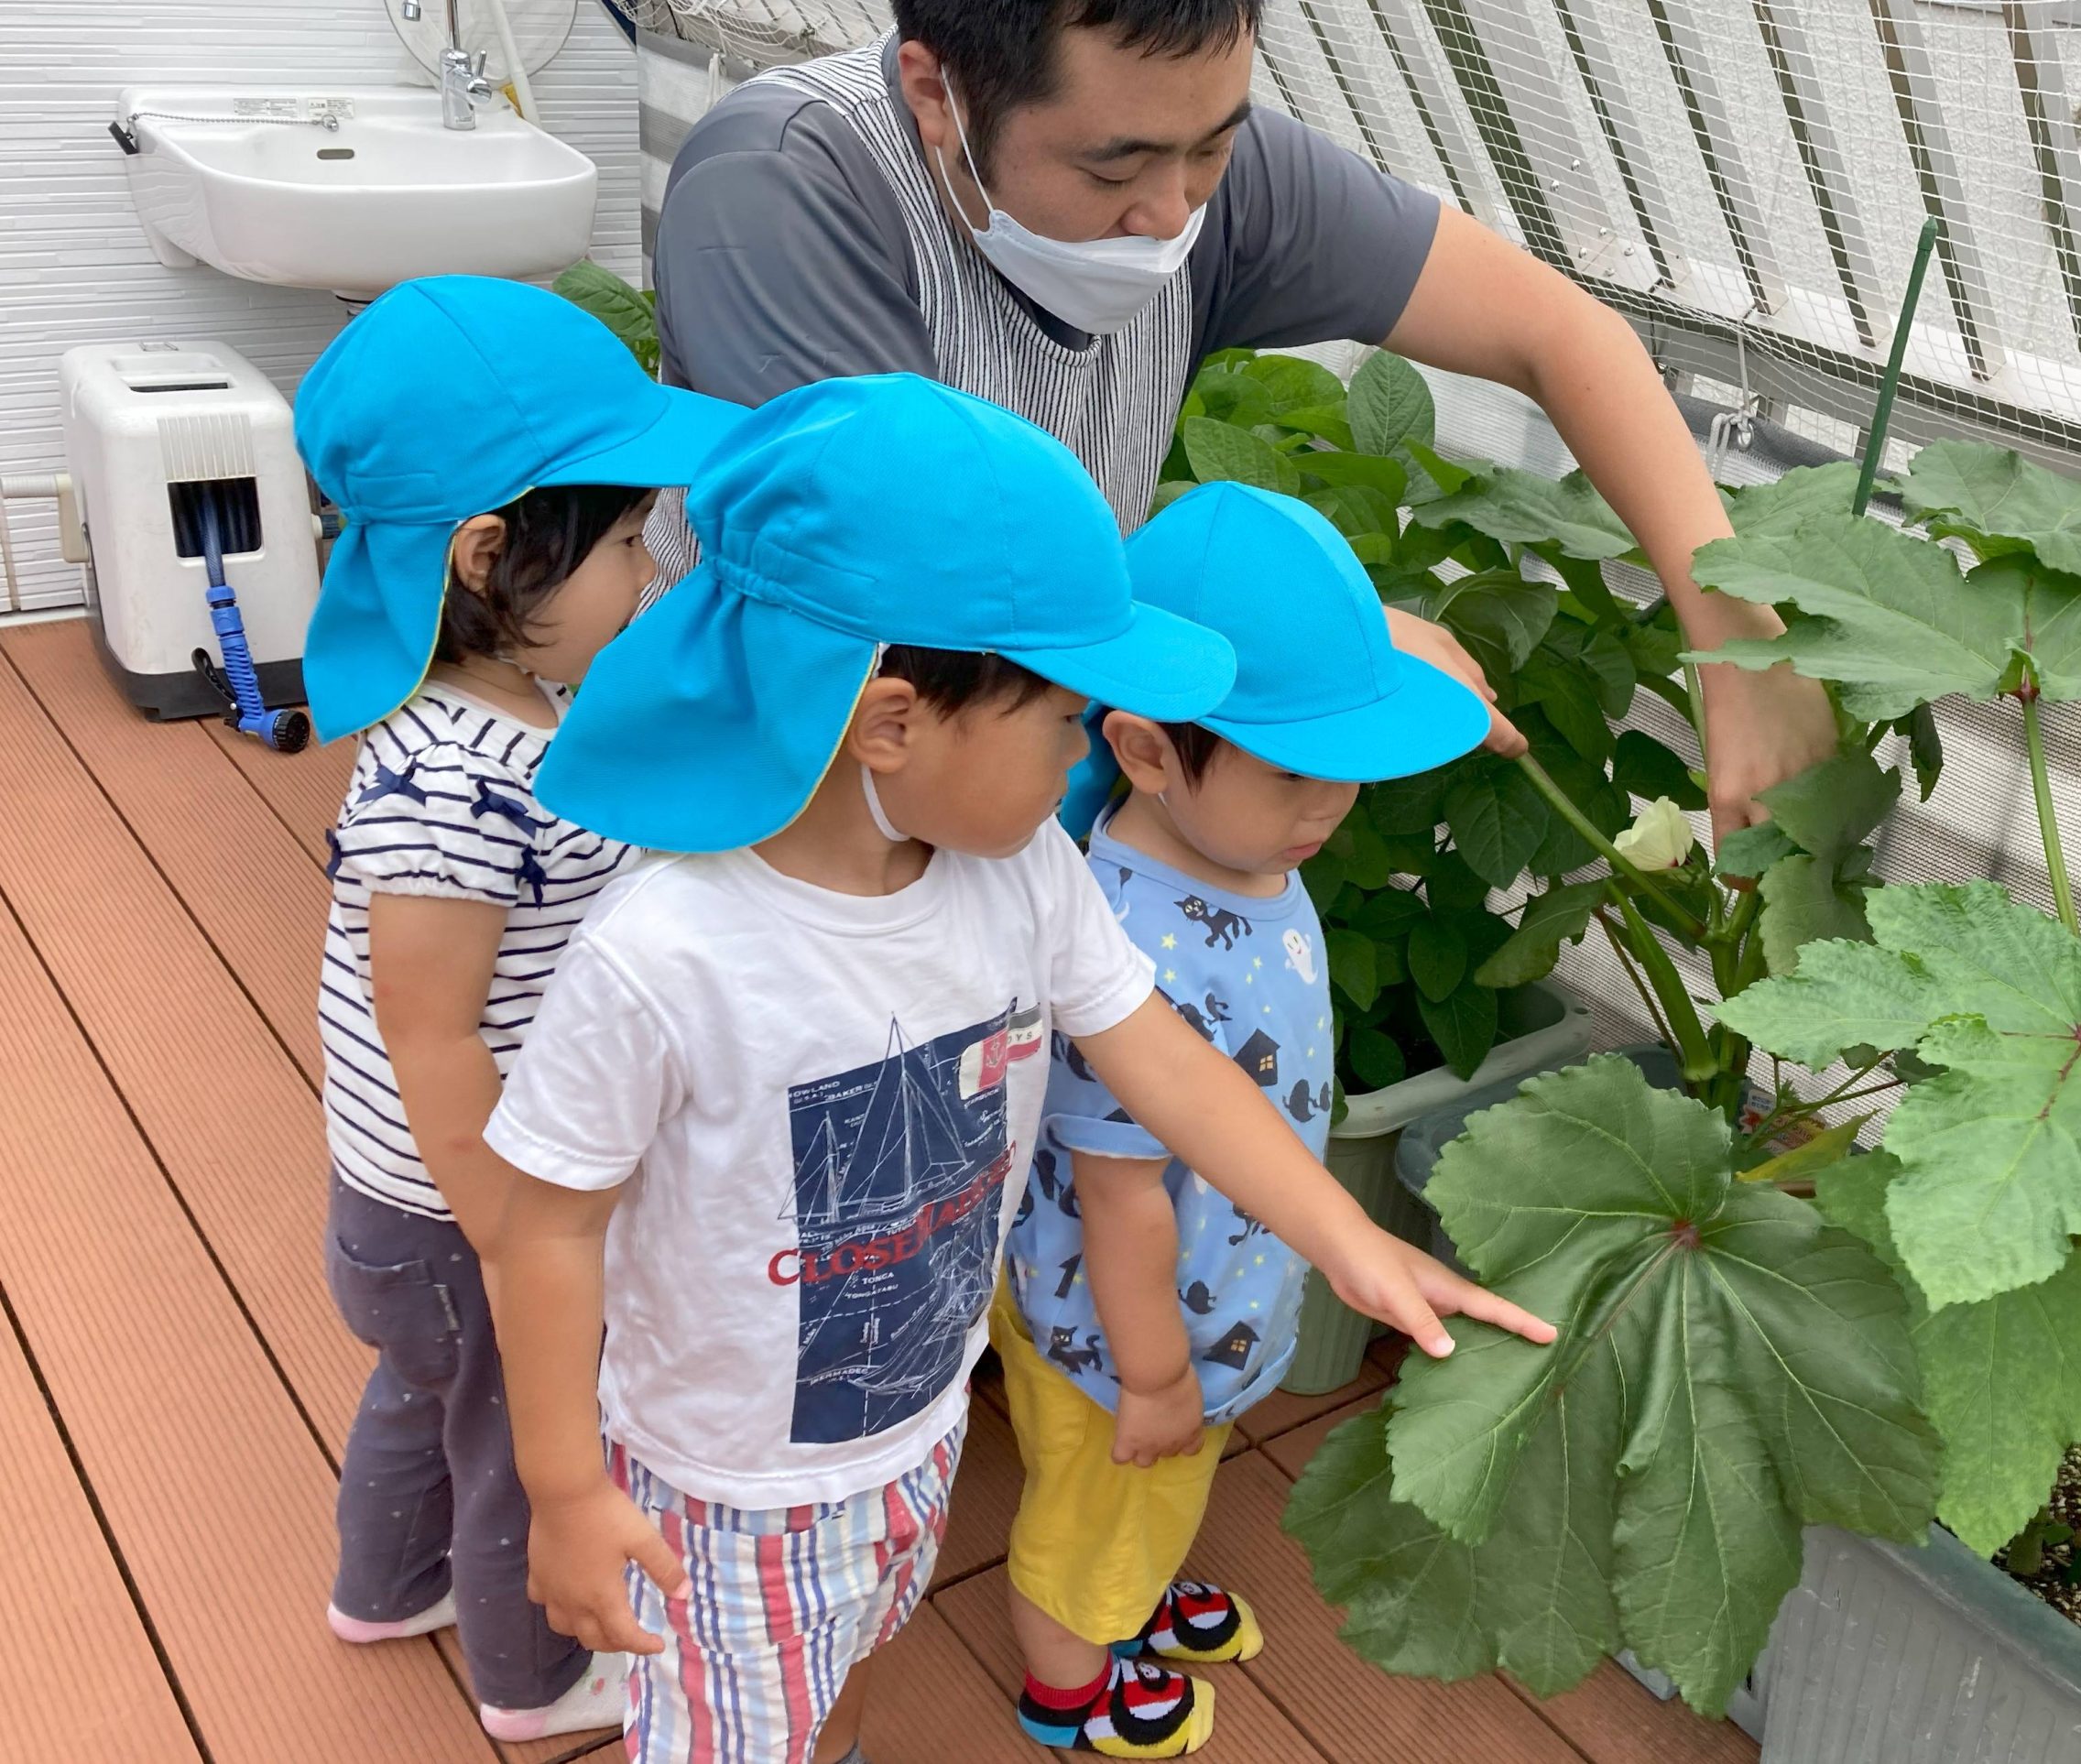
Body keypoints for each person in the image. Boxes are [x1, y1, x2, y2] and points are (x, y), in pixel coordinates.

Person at [473, 375, 1555, 1764]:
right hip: (729, 1488)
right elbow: (542, 1222)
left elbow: (1161, 1056)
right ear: (892, 722)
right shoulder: (667, 955)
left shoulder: (1018, 871)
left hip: (914, 1423)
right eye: (1061, 720)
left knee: (841, 1667)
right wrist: (564, 1490)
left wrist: (1343, 1234)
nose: (1083, 757)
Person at [648, 0, 1836, 841]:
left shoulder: (1220, 180)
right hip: (774, 817)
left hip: (1026, 787)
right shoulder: (787, 186)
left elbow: (1563, 335)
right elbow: (911, 597)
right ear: (936, 93)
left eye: (1209, 149)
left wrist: (1734, 633)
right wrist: (1303, 632)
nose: (1170, 215)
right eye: (1113, 172)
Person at [296, 275, 746, 1741]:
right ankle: (533, 1676)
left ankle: (383, 1583)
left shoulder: (512, 715)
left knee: (421, 1398)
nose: (650, 571)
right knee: (506, 1436)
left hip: (406, 1209)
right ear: (492, 558)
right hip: (459, 1202)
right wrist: (513, 1229)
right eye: (624, 543)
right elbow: (429, 1025)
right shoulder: (452, 782)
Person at [994, 482, 1492, 1756]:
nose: (1329, 807)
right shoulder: (1126, 939)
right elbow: (1116, 1189)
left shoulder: (1239, 847)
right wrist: (1152, 1369)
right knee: (1094, 1504)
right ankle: (1068, 1684)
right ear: (1149, 750)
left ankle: (1135, 1597)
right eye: (1295, 770)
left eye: (1346, 770)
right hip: (1122, 1317)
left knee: (1151, 1497)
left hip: (1208, 1277)